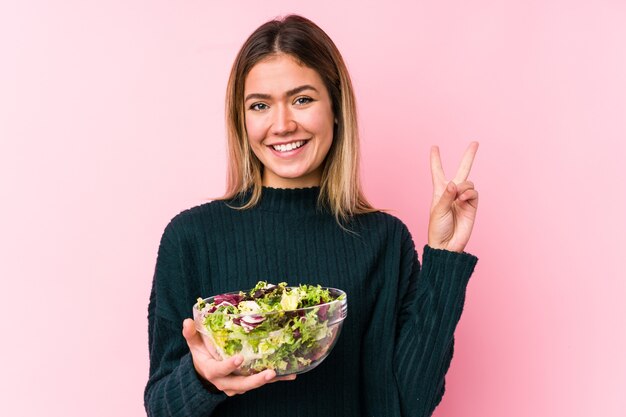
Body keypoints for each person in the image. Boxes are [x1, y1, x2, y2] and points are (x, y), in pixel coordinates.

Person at [145, 14, 479, 417]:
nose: (282, 124)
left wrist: (444, 259)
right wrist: (200, 378)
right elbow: (161, 406)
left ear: (336, 109)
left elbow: (409, 404)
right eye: (260, 105)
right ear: (241, 118)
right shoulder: (191, 238)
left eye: (302, 99)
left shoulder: (383, 240)